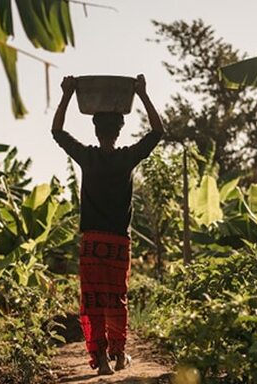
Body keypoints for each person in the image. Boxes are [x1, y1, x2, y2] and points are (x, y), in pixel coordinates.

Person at [51, 74, 163, 375]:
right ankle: (119, 355)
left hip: (91, 243)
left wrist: (67, 93)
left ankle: (101, 360)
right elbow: (157, 131)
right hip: (117, 244)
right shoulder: (127, 158)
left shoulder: (87, 157)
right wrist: (142, 93)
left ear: (96, 129)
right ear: (119, 130)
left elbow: (57, 131)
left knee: (93, 300)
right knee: (117, 300)